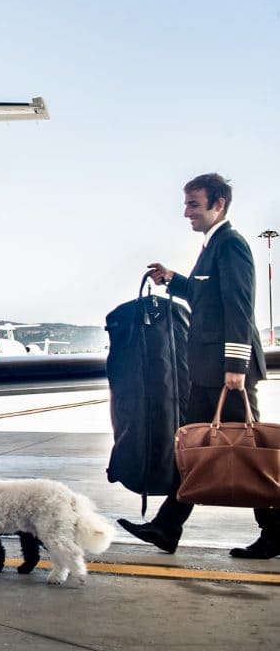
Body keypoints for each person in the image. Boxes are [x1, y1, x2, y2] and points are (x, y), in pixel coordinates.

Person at [118, 173, 279, 559]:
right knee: (190, 448)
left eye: (194, 203)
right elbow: (205, 297)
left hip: (228, 372)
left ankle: (275, 531)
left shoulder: (231, 245)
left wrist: (236, 366)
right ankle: (167, 526)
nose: (186, 211)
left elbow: (239, 306)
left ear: (218, 204)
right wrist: (173, 280)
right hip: (208, 371)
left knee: (250, 451)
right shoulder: (212, 247)